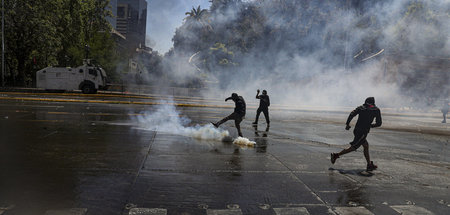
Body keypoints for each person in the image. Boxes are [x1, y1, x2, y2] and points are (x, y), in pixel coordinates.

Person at [331, 97, 382, 171]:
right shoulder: (376, 110)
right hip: (363, 132)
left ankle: (369, 164)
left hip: (356, 130)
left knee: (366, 146)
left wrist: (347, 124)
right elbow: (379, 123)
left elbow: (352, 114)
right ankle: (336, 155)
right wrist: (370, 125)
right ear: (373, 103)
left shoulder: (361, 108)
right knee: (354, 147)